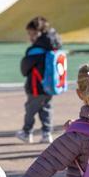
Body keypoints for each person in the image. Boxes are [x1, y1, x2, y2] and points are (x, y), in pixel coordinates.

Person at [17, 16, 63, 144]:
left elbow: (25, 69)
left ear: (39, 33)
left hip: (35, 86)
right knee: (46, 108)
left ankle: (27, 132)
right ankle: (46, 133)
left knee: (30, 110)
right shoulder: (53, 47)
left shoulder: (35, 51)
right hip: (50, 86)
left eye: (32, 34)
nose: (30, 37)